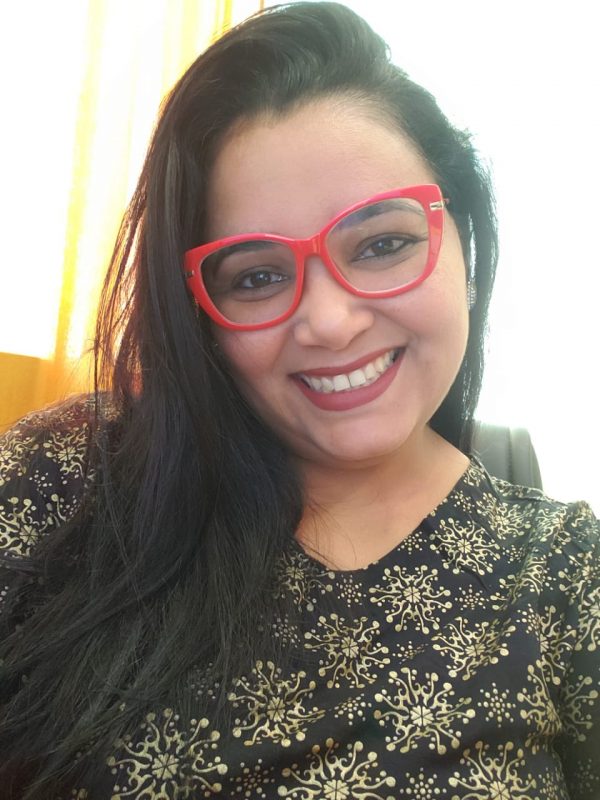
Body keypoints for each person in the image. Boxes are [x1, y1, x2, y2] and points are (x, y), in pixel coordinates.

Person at [1, 3, 598, 798]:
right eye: (256, 276)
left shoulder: (566, 577)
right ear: (197, 311)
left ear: (463, 237)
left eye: (382, 244)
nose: (329, 322)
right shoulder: (68, 478)